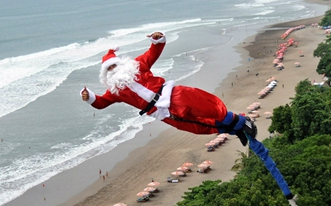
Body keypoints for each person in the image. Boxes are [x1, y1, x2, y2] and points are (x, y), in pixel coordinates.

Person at [80, 31, 256, 146]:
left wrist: (157, 40)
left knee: (209, 108)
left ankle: (242, 122)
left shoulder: (137, 65)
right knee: (197, 126)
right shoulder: (115, 91)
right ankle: (235, 130)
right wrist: (89, 97)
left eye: (113, 66)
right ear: (106, 73)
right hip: (162, 113)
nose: (113, 70)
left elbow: (153, 53)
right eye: (109, 69)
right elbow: (101, 103)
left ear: (120, 62)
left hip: (173, 95)